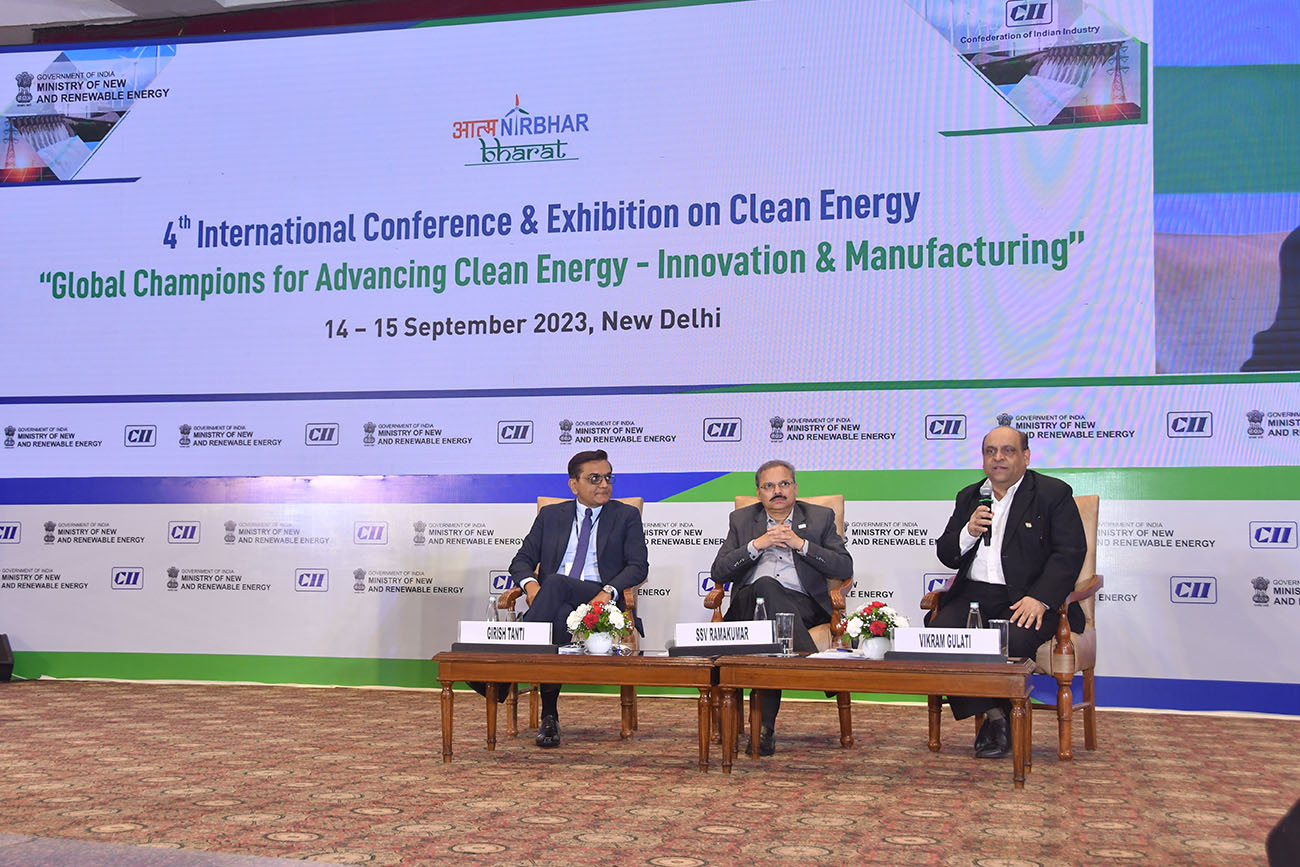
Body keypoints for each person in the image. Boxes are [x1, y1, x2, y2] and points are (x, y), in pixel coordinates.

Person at [929, 426, 1086, 758]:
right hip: (973, 596)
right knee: (941, 637)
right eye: (990, 451)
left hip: (1026, 599)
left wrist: (1041, 598)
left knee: (1006, 642)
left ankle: (996, 722)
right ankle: (998, 715)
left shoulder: (1052, 493)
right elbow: (947, 553)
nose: (998, 458)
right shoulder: (970, 496)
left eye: (1008, 450)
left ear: (1026, 457)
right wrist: (968, 532)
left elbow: (1069, 553)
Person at [506, 449, 648, 748]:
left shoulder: (625, 516)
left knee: (555, 583)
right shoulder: (551, 516)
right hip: (553, 600)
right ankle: (549, 715)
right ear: (574, 485)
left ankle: (507, 668)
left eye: (608, 477)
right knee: (557, 612)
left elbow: (638, 566)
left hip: (598, 599)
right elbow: (521, 561)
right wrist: (531, 588)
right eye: (594, 478)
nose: (604, 484)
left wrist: (607, 592)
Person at [711, 460, 853, 756]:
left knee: (770, 634)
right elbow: (719, 571)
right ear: (759, 493)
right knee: (765, 586)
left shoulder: (820, 518)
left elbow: (843, 567)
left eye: (784, 484)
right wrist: (756, 545)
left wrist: (801, 544)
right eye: (769, 486)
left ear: (795, 488)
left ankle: (764, 730)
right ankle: (815, 671)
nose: (777, 491)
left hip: (801, 606)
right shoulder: (742, 520)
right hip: (749, 604)